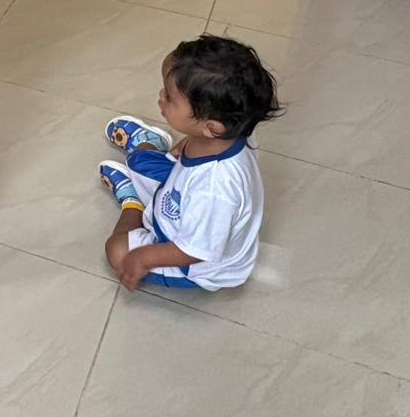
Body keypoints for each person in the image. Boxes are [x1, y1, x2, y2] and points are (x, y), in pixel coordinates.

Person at [98, 35, 283, 292]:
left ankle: (132, 203)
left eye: (169, 97)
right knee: (138, 162)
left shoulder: (215, 190)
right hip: (180, 195)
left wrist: (144, 257)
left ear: (211, 127)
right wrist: (187, 142)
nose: (161, 96)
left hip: (193, 263)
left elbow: (194, 251)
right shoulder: (228, 132)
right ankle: (148, 142)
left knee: (117, 251)